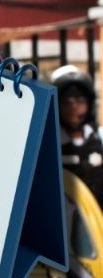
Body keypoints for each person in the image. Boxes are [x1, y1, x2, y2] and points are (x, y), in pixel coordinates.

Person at [52, 65, 103, 207]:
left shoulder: (99, 138)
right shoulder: (50, 143)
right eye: (67, 102)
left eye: (80, 100)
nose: (74, 107)